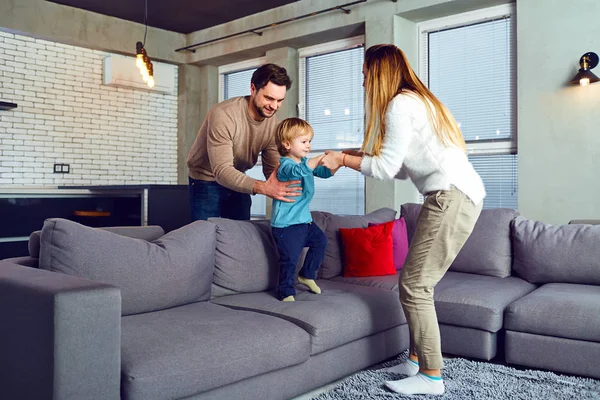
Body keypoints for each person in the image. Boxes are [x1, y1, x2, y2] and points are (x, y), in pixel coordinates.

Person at [320, 44, 486, 396]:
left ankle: (431, 376)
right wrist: (345, 154)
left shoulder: (399, 105)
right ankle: (415, 361)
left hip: (449, 196)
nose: (363, 84)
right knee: (414, 282)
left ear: (380, 74)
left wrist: (342, 159)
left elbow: (382, 168)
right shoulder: (420, 102)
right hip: (457, 194)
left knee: (414, 286)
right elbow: (399, 169)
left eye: (365, 77)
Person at [187, 63, 301, 221]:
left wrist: (296, 180)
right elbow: (222, 171)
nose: (274, 106)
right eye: (269, 98)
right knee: (206, 235)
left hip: (237, 174)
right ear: (253, 89)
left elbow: (272, 171)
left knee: (240, 233)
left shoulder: (273, 124)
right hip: (206, 178)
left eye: (279, 100)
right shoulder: (223, 115)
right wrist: (263, 188)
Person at [271, 118, 337, 302]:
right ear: (287, 144)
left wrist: (337, 164)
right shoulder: (285, 165)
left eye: (309, 141)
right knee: (290, 258)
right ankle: (285, 290)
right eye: (304, 141)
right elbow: (298, 171)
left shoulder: (304, 162)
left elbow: (322, 173)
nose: (308, 145)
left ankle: (307, 275)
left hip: (303, 221)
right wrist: (316, 160)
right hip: (286, 225)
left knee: (320, 242)